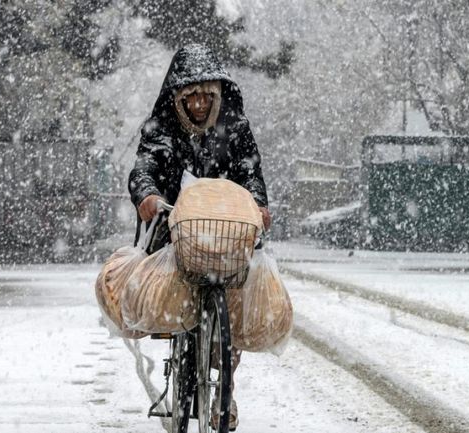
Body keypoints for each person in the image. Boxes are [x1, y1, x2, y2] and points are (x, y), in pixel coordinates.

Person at [128, 44, 271, 430]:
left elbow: (250, 172)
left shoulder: (234, 126)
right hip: (179, 231)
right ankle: (184, 349)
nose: (199, 105)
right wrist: (148, 196)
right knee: (174, 298)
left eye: (206, 96)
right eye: (191, 97)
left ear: (217, 95)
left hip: (224, 232)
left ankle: (225, 383)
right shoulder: (161, 127)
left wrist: (257, 205)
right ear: (178, 98)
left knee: (235, 305)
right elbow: (145, 168)